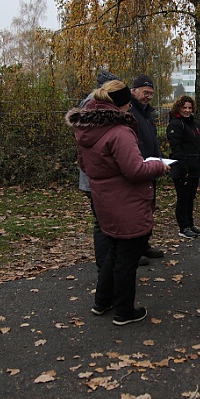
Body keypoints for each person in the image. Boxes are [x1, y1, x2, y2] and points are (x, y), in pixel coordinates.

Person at [66, 80, 170, 325]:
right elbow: (135, 170)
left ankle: (102, 302)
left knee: (114, 251)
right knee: (127, 258)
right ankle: (124, 311)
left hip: (104, 199)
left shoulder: (86, 128)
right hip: (126, 202)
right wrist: (159, 166)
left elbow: (84, 165)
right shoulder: (119, 131)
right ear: (123, 104)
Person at [78, 69, 119, 271]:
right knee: (103, 223)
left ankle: (110, 263)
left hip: (95, 175)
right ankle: (105, 266)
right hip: (96, 177)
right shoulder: (93, 105)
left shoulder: (93, 104)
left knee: (107, 221)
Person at [130, 74, 166, 261]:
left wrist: (159, 159)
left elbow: (152, 138)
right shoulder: (129, 112)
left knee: (149, 207)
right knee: (137, 209)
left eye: (151, 93)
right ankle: (134, 249)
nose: (149, 97)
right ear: (134, 91)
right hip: (138, 167)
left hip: (151, 166)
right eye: (146, 93)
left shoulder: (147, 113)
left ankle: (144, 244)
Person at [167, 95, 200, 239]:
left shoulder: (194, 123)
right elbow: (175, 147)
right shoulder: (176, 124)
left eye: (189, 108)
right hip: (182, 168)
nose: (187, 110)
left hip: (195, 167)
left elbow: (199, 141)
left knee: (190, 198)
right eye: (184, 107)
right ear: (178, 108)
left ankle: (190, 224)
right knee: (183, 198)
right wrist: (182, 165)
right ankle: (183, 227)